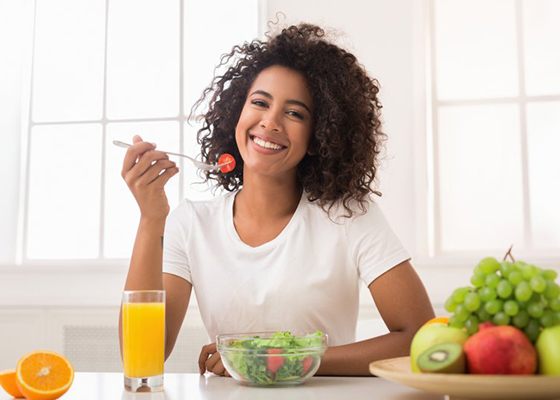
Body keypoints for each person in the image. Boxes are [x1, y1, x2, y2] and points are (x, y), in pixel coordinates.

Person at [119, 23, 434, 376]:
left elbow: (419, 337)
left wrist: (283, 360)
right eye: (260, 102)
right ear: (237, 112)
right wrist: (150, 219)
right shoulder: (191, 224)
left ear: (319, 136)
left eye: (295, 113)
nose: (270, 122)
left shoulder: (348, 216)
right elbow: (141, 357)